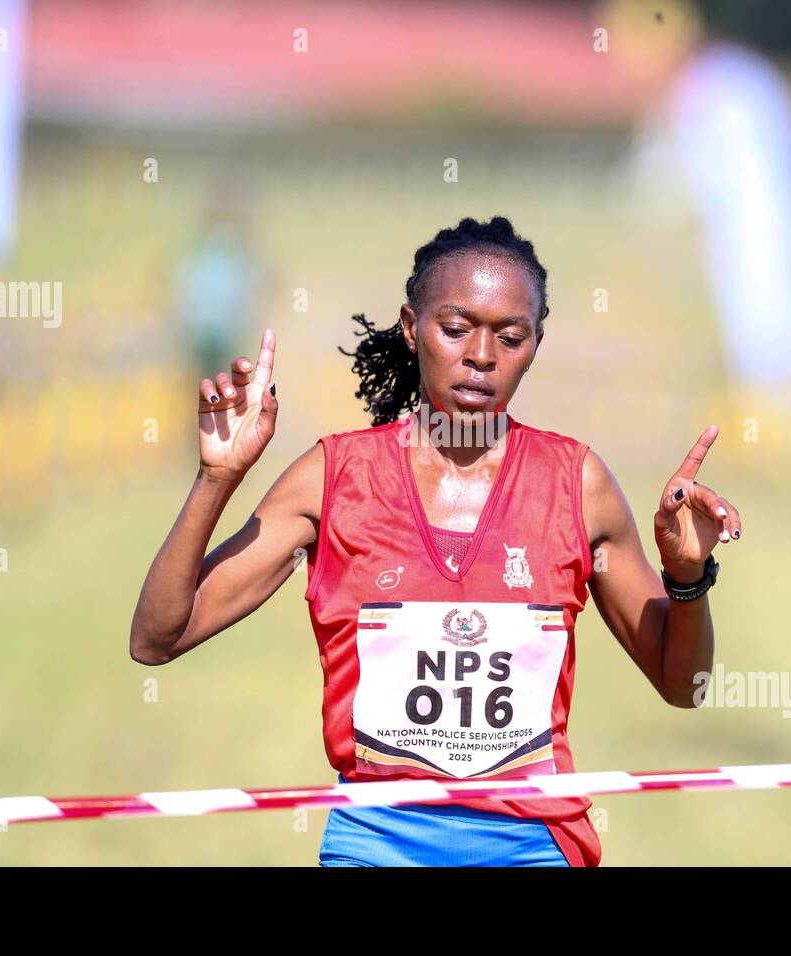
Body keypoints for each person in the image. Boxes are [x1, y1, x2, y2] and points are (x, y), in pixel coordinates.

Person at [130, 216, 743, 866]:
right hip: (377, 844)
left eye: (511, 337)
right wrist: (215, 479)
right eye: (455, 329)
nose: (482, 355)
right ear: (411, 326)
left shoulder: (576, 484)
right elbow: (156, 638)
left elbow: (687, 686)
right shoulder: (335, 479)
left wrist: (686, 580)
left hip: (531, 845)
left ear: (536, 344)